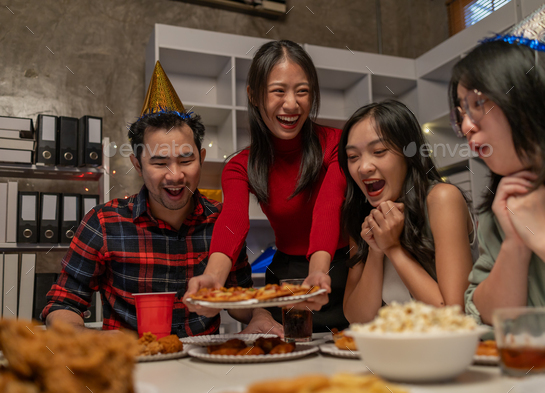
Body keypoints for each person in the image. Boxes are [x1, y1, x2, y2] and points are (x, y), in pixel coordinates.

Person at [43, 61, 280, 337]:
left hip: (203, 368)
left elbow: (239, 297)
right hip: (131, 367)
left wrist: (260, 313)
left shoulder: (222, 221)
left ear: (201, 159)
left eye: (186, 160)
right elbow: (62, 302)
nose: (175, 175)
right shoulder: (104, 223)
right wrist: (88, 337)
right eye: (159, 163)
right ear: (138, 165)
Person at [183, 40, 350, 331]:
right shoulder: (239, 165)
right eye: (278, 91)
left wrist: (318, 274)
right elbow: (233, 221)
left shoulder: (338, 143)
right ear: (254, 95)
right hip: (285, 275)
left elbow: (328, 208)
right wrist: (213, 279)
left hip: (343, 269)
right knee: (291, 360)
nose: (291, 104)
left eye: (302, 91)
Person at [451, 0, 545, 344]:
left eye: (478, 104)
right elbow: (488, 318)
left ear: (535, 97)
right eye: (461, 113)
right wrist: (515, 245)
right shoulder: (503, 206)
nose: (466, 126)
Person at [338, 99, 475, 323]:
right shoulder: (362, 214)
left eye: (379, 151)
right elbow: (358, 318)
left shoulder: (442, 199)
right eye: (353, 157)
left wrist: (392, 247)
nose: (363, 167)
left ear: (408, 154)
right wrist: (376, 250)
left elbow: (454, 317)